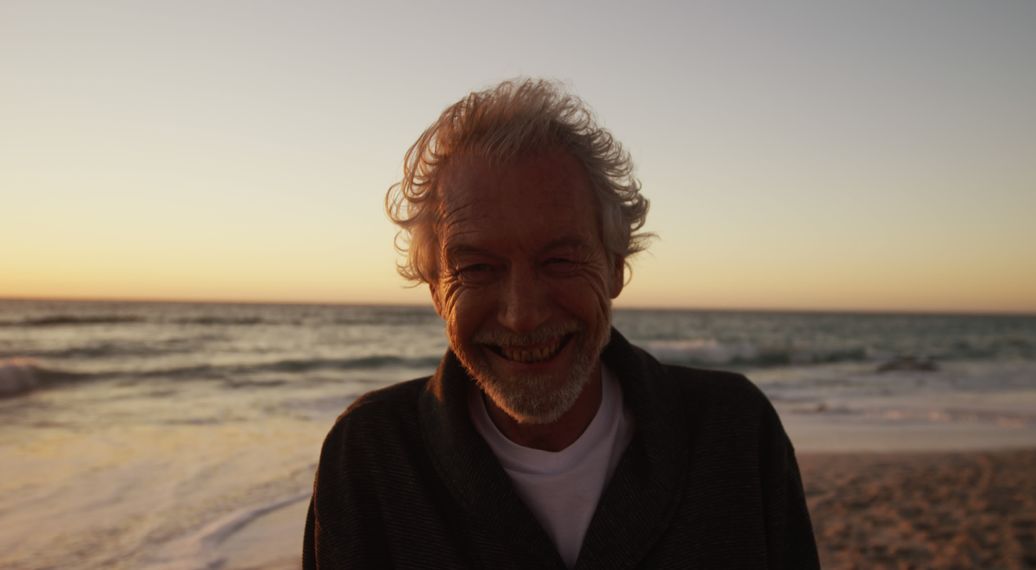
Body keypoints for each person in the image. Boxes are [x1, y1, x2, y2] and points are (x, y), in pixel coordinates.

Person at [303, 79, 819, 569]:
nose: (522, 314)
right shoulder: (371, 456)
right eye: (477, 268)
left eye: (560, 261)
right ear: (436, 288)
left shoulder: (734, 434)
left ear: (616, 265)